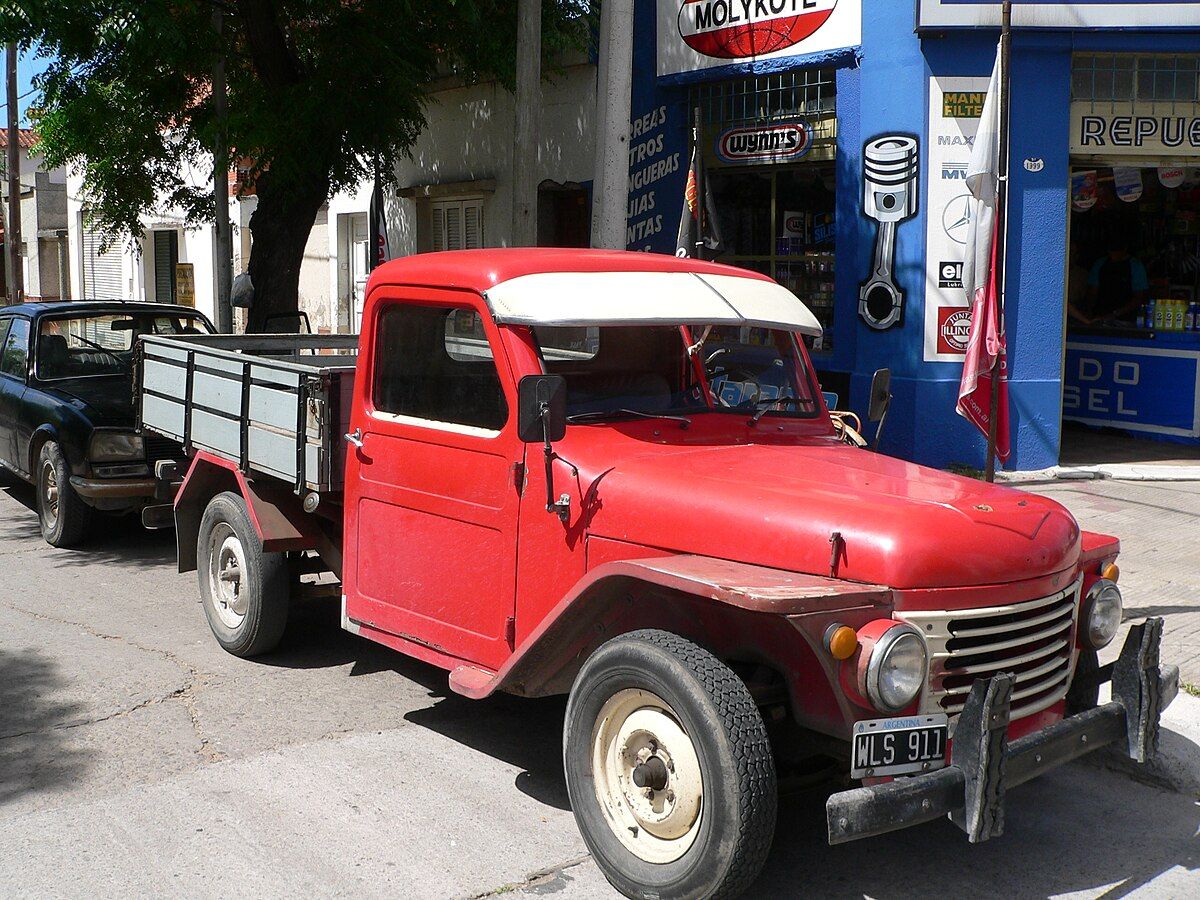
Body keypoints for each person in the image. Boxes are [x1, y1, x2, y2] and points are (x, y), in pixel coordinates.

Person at [1086, 237, 1149, 321]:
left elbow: (1139, 297)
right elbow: (1092, 293)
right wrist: (1089, 312)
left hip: (1127, 318)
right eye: (1111, 253)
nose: (1113, 257)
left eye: (1116, 253)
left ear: (1125, 250)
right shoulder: (1100, 264)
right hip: (1100, 315)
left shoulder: (1135, 266)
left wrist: (1115, 314)